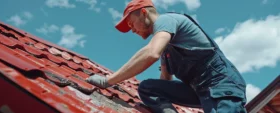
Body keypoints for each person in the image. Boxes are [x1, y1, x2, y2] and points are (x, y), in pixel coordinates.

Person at [86, 0, 247, 113]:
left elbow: (151, 53)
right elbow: (164, 82)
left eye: (131, 24)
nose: (132, 30)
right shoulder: (166, 50)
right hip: (200, 91)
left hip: (221, 86)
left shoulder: (167, 20)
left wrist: (108, 81)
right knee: (148, 87)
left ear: (143, 13)